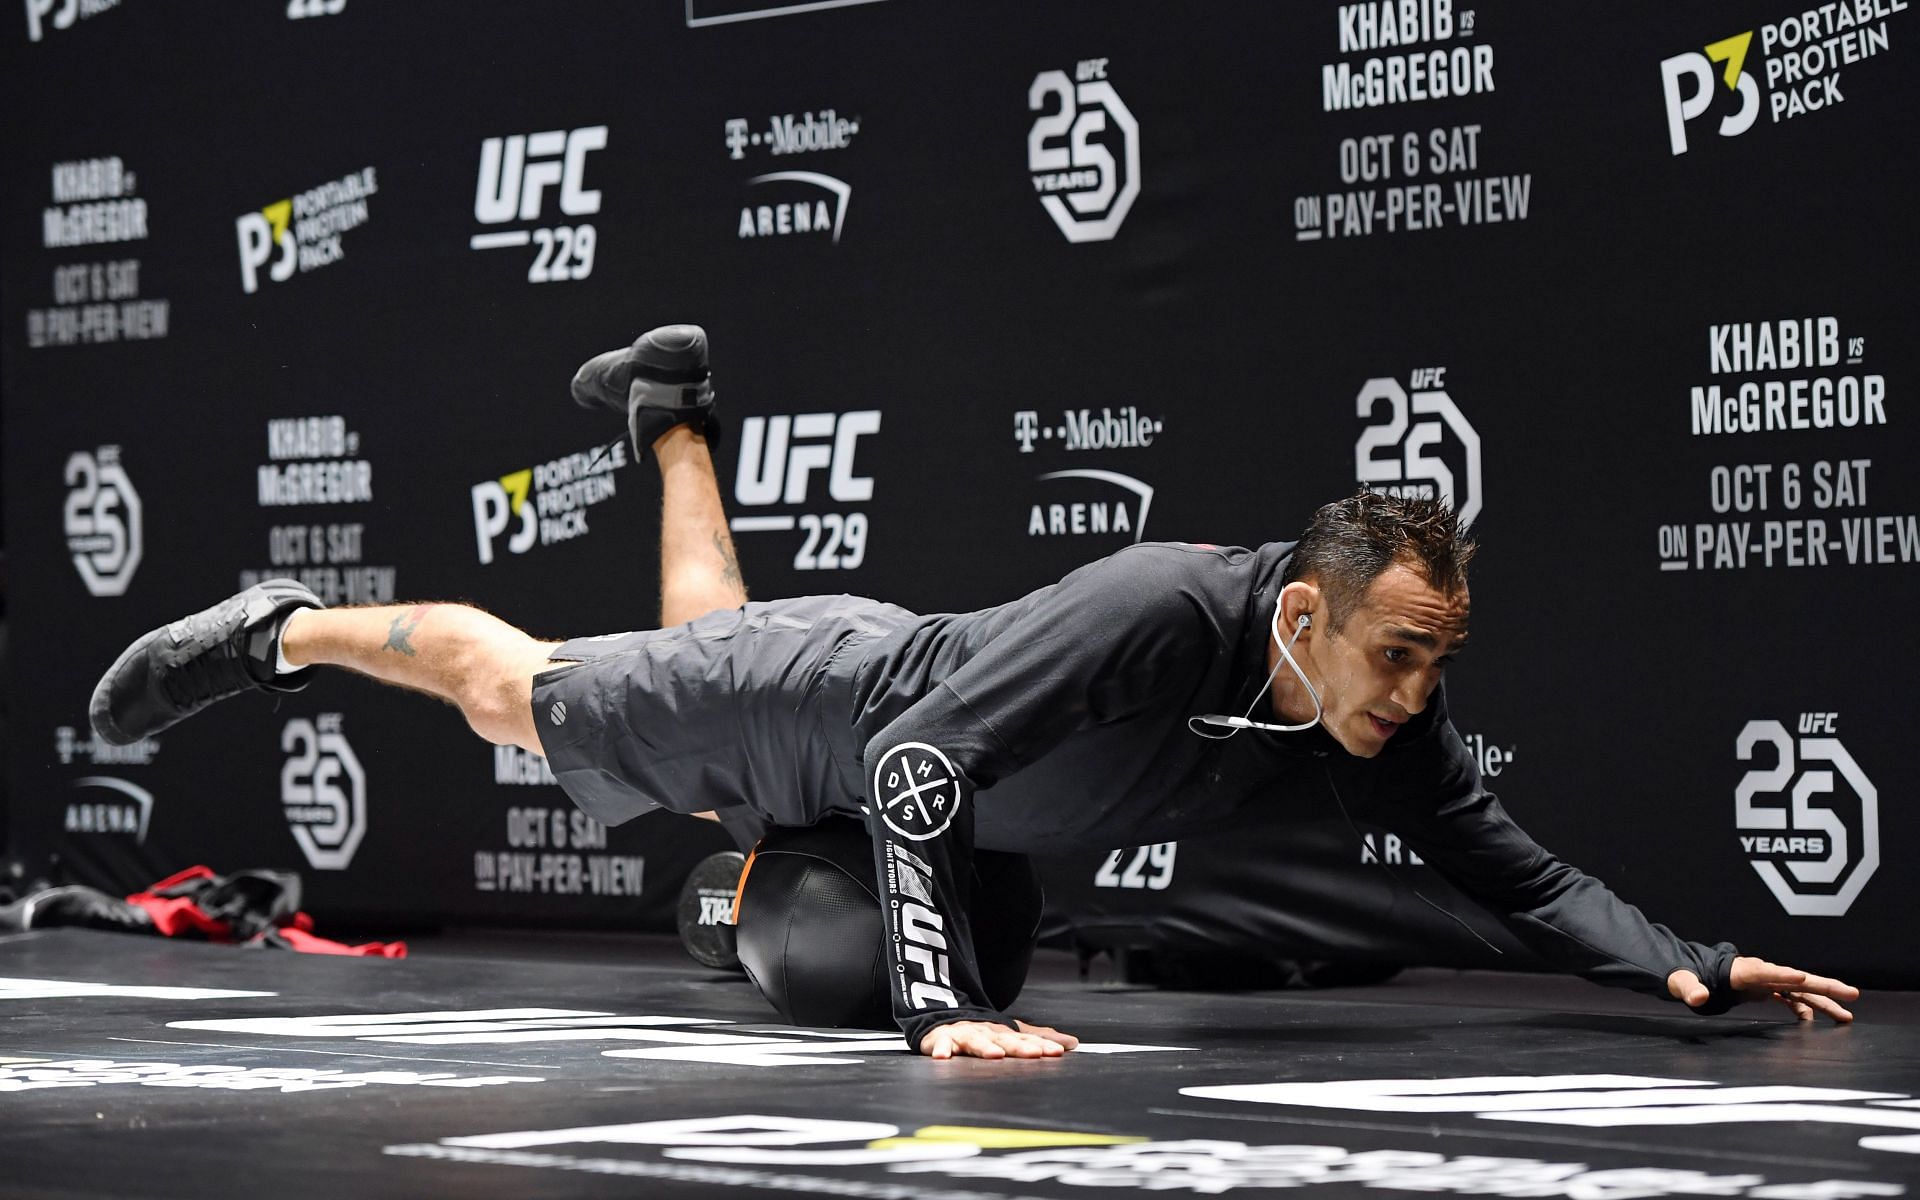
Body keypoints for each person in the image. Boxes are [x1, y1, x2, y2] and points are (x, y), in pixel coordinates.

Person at [90, 325, 1860, 1061]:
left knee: (719, 785)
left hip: (864, 733)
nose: (1418, 695)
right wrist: (941, 1009)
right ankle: (281, 625)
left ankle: (673, 420)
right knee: (518, 696)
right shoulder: (1165, 606)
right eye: (1397, 654)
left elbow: (1515, 872)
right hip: (847, 702)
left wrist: (1691, 961)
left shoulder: (1363, 717)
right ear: (1307, 617)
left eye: (1439, 662)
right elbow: (923, 752)